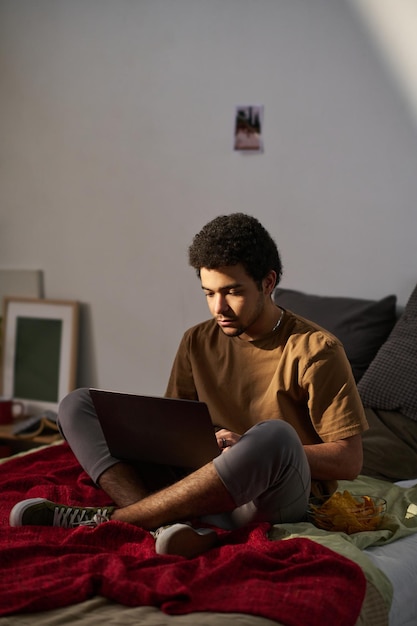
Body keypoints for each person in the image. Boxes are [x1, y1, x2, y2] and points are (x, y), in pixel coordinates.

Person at [10, 213, 368, 558]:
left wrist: (245, 446)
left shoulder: (318, 350)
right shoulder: (197, 341)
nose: (219, 307)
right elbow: (173, 431)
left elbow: (349, 461)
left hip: (270, 496)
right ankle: (166, 527)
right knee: (76, 404)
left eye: (232, 292)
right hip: (202, 485)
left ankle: (118, 519)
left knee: (274, 436)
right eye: (209, 293)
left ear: (268, 282)